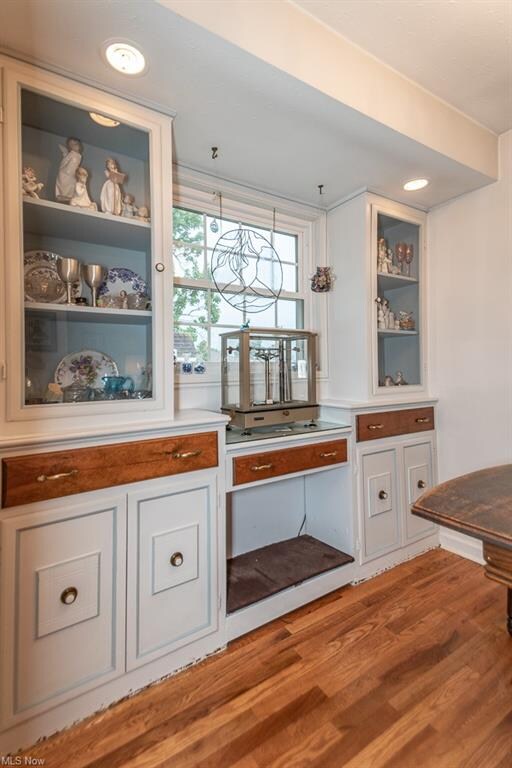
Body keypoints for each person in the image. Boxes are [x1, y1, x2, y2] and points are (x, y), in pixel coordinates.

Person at [55, 137, 82, 202]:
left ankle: (67, 196)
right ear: (69, 147)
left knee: (71, 185)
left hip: (72, 174)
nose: (75, 146)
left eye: (76, 144)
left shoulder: (78, 155)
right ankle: (63, 195)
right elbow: (64, 162)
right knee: (64, 184)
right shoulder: (71, 154)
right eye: (72, 145)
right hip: (66, 173)